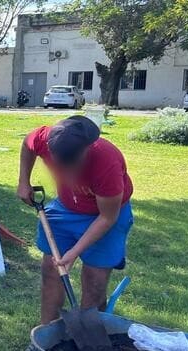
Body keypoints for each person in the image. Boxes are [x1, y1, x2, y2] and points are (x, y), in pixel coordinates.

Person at [17, 116, 134, 325]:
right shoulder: (45, 138)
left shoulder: (107, 162)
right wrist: (23, 181)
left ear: (87, 149)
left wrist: (74, 252)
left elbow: (107, 217)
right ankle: (48, 335)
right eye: (62, 165)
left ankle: (89, 340)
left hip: (103, 215)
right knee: (52, 271)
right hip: (65, 208)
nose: (69, 172)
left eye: (73, 164)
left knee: (94, 283)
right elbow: (28, 143)